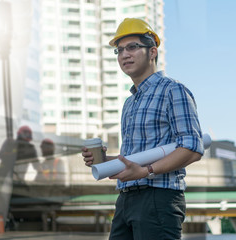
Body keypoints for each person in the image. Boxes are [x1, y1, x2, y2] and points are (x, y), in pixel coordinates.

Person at [82, 18, 204, 240]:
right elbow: (133, 159)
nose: (124, 55)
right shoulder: (130, 103)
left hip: (159, 198)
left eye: (132, 47)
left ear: (152, 52)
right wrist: (103, 159)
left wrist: (146, 171)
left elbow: (192, 147)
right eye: (119, 51)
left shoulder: (173, 91)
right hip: (126, 198)